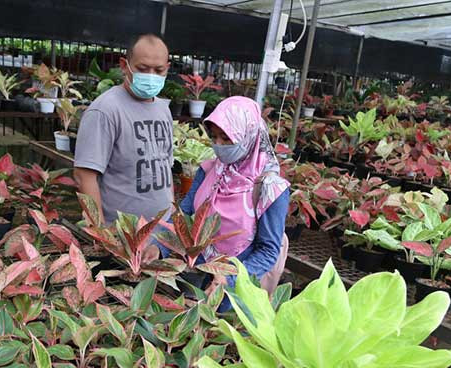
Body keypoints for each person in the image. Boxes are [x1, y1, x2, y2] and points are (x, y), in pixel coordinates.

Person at [180, 96, 290, 297]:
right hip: (196, 277)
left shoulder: (270, 188)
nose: (219, 145)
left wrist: (229, 278)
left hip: (234, 291)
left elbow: (268, 252)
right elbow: (185, 213)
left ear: (248, 134)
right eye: (214, 137)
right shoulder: (209, 170)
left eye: (226, 137)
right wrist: (159, 247)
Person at [74, 33, 174, 224]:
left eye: (159, 70)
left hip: (161, 235)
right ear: (123, 66)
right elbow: (84, 176)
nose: (151, 76)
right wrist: (101, 231)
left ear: (167, 68)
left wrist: (171, 210)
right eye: (143, 68)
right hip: (124, 236)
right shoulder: (105, 110)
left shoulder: (163, 109)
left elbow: (165, 166)